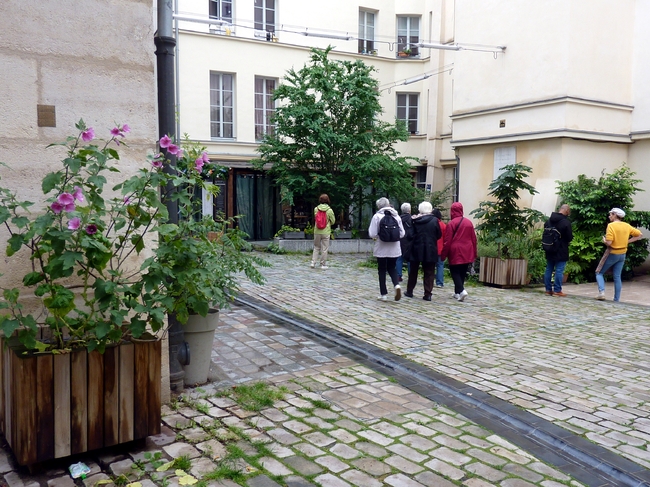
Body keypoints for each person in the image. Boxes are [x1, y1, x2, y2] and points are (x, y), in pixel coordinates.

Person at [595, 207, 643, 302]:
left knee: (599, 272)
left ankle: (602, 292)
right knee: (617, 276)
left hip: (612, 252)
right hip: (622, 254)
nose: (609, 216)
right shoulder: (626, 225)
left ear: (614, 215)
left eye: (610, 214)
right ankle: (616, 299)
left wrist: (604, 241)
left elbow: (609, 242)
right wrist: (627, 242)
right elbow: (639, 235)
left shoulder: (611, 226)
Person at [368, 197, 405, 301]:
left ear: (379, 206)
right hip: (394, 247)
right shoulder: (396, 216)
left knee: (382, 270)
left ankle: (383, 294)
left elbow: (372, 233)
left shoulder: (377, 216)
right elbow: (402, 233)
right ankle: (396, 285)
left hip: (381, 247)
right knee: (392, 268)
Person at [440, 202, 477, 302]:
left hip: (455, 250)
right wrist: (474, 253)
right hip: (467, 250)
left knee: (454, 271)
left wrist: (443, 255)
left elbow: (447, 241)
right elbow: (474, 239)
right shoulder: (469, 222)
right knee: (462, 271)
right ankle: (457, 292)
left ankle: (461, 291)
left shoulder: (452, 223)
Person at [405, 202, 441, 301]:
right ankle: (428, 293)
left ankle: (409, 291)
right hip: (430, 248)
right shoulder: (434, 221)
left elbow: (409, 235)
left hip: (416, 248)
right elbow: (439, 234)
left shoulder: (415, 220)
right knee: (429, 272)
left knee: (413, 271)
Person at [543, 204, 573, 297]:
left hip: (549, 247)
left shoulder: (548, 221)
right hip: (561, 249)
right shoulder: (565, 222)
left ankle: (548, 290)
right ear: (567, 211)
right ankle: (557, 290)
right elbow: (569, 237)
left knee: (549, 269)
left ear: (560, 209)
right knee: (559, 270)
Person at [311, 194, 336, 269]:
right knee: (324, 248)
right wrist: (328, 224)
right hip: (326, 231)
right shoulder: (329, 210)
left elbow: (316, 219)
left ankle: (313, 262)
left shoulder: (316, 209)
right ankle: (323, 264)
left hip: (317, 231)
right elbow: (333, 221)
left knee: (316, 247)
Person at [396, 203, 414, 282]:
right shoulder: (412, 219)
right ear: (409, 210)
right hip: (410, 241)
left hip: (400, 240)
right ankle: (411, 276)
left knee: (399, 258)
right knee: (410, 260)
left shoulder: (398, 218)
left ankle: (398, 275)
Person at [432, 208, 447, 288]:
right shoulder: (443, 225)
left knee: (430, 265)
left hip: (432, 248)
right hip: (440, 248)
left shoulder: (431, 223)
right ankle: (439, 282)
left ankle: (430, 280)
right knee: (440, 266)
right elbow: (445, 238)